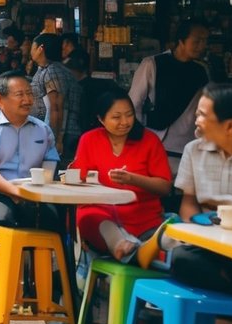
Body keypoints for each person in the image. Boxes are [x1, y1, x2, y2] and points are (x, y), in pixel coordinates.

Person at [168, 83, 232, 324]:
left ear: (230, 126)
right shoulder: (194, 150)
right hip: (208, 247)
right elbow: (188, 204)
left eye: (203, 114)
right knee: (181, 258)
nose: (196, 119)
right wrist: (199, 228)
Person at [68, 92, 171, 265]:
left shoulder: (149, 140)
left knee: (166, 245)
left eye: (129, 115)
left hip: (143, 219)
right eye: (116, 117)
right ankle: (127, 248)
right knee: (88, 216)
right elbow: (80, 184)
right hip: (101, 215)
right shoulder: (89, 140)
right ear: (101, 119)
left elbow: (165, 187)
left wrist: (133, 179)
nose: (124, 122)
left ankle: (134, 252)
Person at [0, 72, 63, 248]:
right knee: (3, 217)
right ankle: (4, 273)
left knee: (55, 218)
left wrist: (39, 190)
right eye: (20, 94)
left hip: (32, 195)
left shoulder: (43, 129)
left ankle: (53, 274)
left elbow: (49, 164)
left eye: (29, 93)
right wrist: (13, 191)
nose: (27, 99)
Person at [129, 20, 210, 174]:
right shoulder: (152, 64)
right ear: (181, 40)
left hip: (187, 144)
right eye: (197, 41)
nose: (202, 46)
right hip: (156, 140)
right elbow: (134, 103)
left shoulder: (201, 71)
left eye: (205, 41)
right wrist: (137, 137)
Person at [29, 34, 81, 162]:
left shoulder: (53, 71)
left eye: (32, 46)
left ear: (40, 48)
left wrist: (57, 140)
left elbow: (57, 107)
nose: (31, 50)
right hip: (51, 132)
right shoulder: (45, 69)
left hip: (63, 135)